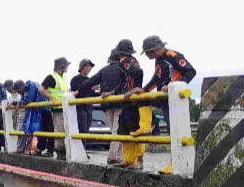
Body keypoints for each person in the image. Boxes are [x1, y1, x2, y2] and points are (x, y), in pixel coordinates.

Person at [138, 35, 197, 174]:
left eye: (147, 53)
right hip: (164, 99)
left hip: (176, 99)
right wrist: (145, 89)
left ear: (155, 49)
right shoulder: (158, 60)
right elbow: (156, 78)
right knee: (143, 99)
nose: (146, 56)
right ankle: (145, 127)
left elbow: (190, 71)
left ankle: (176, 162)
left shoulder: (173, 56)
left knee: (175, 131)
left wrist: (173, 85)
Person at [81, 49, 124, 164]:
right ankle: (113, 156)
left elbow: (89, 82)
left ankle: (119, 157)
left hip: (106, 104)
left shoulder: (103, 70)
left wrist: (78, 90)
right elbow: (124, 84)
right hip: (120, 102)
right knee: (118, 131)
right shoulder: (123, 69)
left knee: (114, 130)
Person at [112, 39, 148, 170]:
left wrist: (134, 89)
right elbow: (123, 83)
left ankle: (138, 160)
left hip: (132, 102)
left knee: (134, 132)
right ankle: (128, 159)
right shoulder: (130, 61)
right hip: (127, 102)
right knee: (124, 132)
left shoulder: (126, 61)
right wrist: (113, 91)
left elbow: (138, 72)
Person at [38, 57, 73, 160]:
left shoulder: (64, 78)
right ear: (61, 67)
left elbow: (65, 92)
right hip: (57, 108)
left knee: (65, 130)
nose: (67, 68)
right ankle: (60, 151)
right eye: (66, 66)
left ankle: (64, 151)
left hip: (65, 108)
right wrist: (51, 98)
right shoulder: (52, 77)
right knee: (59, 130)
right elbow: (41, 89)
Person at [13, 79, 51, 155]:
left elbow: (28, 101)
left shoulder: (32, 86)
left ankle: (40, 150)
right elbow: (24, 100)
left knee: (42, 130)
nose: (18, 93)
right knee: (33, 129)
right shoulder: (27, 88)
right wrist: (19, 102)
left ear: (21, 88)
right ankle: (36, 149)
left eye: (18, 91)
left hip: (44, 110)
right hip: (38, 111)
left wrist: (20, 102)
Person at [70, 59, 97, 138]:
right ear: (82, 67)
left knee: (86, 129)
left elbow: (92, 94)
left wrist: (103, 93)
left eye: (90, 66)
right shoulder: (75, 79)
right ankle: (81, 149)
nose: (89, 68)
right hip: (80, 108)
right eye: (87, 66)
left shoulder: (90, 80)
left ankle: (83, 148)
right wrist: (90, 88)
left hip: (89, 108)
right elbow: (75, 92)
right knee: (82, 129)